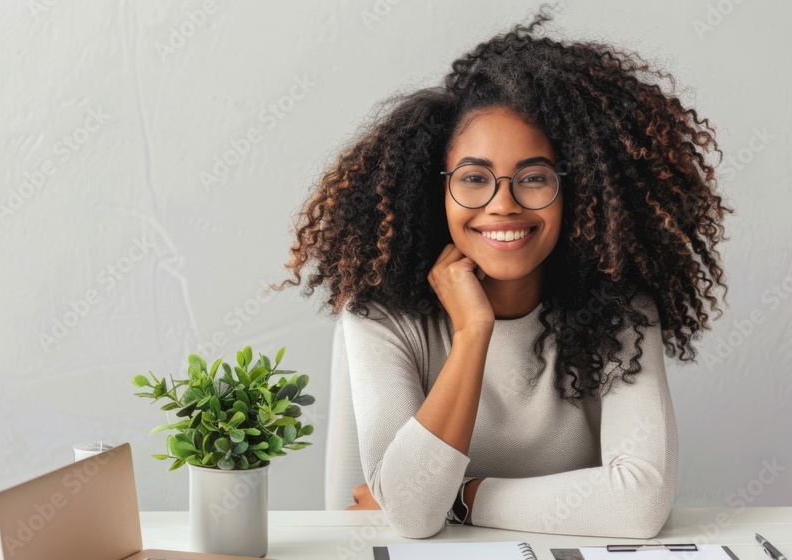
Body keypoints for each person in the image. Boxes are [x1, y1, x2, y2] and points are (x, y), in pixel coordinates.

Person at [271, 6, 731, 539]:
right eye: (474, 178)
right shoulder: (380, 314)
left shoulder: (621, 315)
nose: (503, 204)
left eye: (533, 177)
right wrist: (472, 333)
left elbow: (638, 504)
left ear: (576, 190)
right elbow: (412, 518)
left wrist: (462, 496)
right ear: (434, 190)